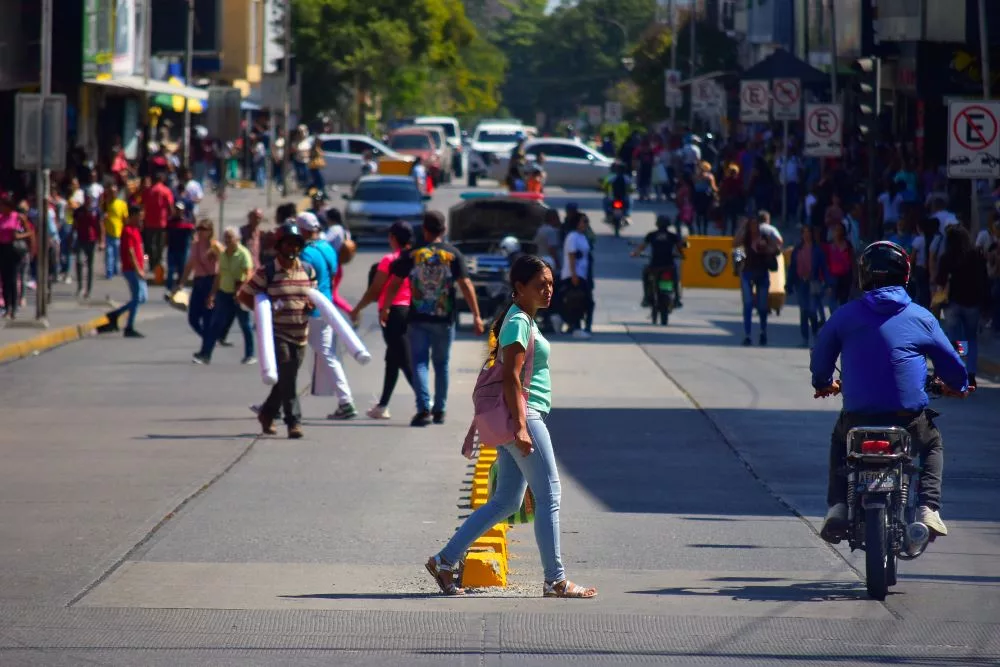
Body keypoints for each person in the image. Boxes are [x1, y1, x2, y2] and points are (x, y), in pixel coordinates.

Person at [425, 255, 597, 600]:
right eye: (540, 285)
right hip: (524, 415)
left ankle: (445, 560)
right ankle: (556, 580)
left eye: (550, 283)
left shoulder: (524, 319)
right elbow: (511, 377)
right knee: (550, 494)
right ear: (519, 288)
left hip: (518, 416)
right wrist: (520, 427)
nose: (549, 290)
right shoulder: (518, 322)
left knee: (505, 501)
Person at [811, 240, 969, 543]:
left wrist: (822, 383)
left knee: (838, 441)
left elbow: (821, 356)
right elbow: (951, 362)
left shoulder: (846, 315)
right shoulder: (921, 317)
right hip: (907, 418)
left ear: (864, 275)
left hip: (857, 418)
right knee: (933, 443)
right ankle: (928, 509)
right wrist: (958, 386)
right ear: (905, 275)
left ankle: (839, 506)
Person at [381, 211, 484, 426]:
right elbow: (465, 285)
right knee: (442, 364)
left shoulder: (413, 255)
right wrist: (476, 315)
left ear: (424, 230)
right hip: (444, 319)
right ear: (444, 230)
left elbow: (394, 282)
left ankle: (423, 408)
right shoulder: (453, 254)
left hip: (417, 318)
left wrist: (386, 307)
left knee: (419, 362)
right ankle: (440, 409)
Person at [238, 221, 317, 439]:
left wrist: (311, 306)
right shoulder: (268, 271)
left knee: (286, 378)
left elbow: (313, 297)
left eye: (296, 245)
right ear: (279, 246)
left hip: (301, 334)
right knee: (288, 376)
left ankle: (267, 412)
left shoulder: (307, 270)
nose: (293, 249)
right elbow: (244, 294)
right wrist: (262, 313)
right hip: (277, 333)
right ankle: (294, 422)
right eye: (289, 244)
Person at [351, 221, 415, 420]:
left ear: (393, 239)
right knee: (393, 359)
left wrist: (357, 308)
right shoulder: (415, 257)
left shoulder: (389, 260)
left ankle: (425, 400)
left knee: (402, 359)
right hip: (409, 311)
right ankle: (382, 405)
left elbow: (375, 290)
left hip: (392, 313)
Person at [299, 211, 357, 420]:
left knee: (286, 356)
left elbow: (303, 281)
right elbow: (332, 275)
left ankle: (346, 401)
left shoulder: (305, 253)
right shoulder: (329, 249)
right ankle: (345, 401)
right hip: (326, 308)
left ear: (303, 231)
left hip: (309, 310)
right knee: (327, 355)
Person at [935, 225, 990, 389]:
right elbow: (984, 280)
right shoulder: (976, 256)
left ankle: (957, 370)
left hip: (953, 303)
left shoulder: (947, 257)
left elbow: (940, 281)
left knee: (956, 339)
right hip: (972, 303)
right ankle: (971, 373)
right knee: (971, 338)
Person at [194, 226, 255, 365]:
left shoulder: (243, 253)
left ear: (237, 239)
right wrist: (212, 294)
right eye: (226, 237)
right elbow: (219, 275)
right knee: (215, 325)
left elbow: (248, 274)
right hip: (224, 293)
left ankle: (250, 355)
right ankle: (206, 355)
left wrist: (242, 291)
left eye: (230, 237)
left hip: (239, 293)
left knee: (245, 325)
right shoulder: (222, 254)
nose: (227, 240)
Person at [97, 204, 148, 337]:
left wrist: (145, 262)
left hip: (138, 268)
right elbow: (130, 252)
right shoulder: (127, 231)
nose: (141, 220)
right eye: (139, 217)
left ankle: (116, 315)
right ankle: (128, 326)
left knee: (141, 298)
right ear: (132, 217)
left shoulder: (137, 230)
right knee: (138, 298)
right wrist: (138, 269)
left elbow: (141, 249)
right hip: (131, 270)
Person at [733, 212, 783, 346]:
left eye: (756, 224)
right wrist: (742, 228)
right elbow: (736, 246)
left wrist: (766, 248)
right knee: (748, 305)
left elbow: (777, 250)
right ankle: (748, 335)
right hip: (747, 273)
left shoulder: (765, 236)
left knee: (762, 306)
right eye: (751, 224)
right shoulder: (745, 238)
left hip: (762, 273)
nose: (754, 227)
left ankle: (763, 332)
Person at [631, 214, 684, 308]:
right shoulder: (673, 236)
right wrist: (681, 255)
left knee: (646, 275)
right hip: (669, 264)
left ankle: (646, 297)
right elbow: (680, 248)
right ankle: (677, 299)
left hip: (655, 264)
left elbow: (642, 247)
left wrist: (635, 253)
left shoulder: (652, 235)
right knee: (675, 279)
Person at [788, 225, 828, 347]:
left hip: (813, 282)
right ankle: (804, 338)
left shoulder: (817, 250)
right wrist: (788, 283)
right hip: (800, 283)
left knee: (812, 310)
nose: (806, 235)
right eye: (804, 232)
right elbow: (792, 268)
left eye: (808, 232)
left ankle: (815, 334)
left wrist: (828, 282)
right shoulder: (797, 249)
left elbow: (824, 267)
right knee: (803, 311)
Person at [561, 213, 594, 339]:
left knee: (587, 301)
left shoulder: (583, 237)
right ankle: (576, 326)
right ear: (577, 223)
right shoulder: (572, 237)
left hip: (583, 275)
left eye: (587, 222)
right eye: (584, 221)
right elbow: (571, 255)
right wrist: (574, 274)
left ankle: (584, 326)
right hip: (573, 275)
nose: (586, 224)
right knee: (576, 301)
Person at [74, 193, 103, 300]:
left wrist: (101, 241)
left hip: (92, 240)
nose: (88, 201)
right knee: (79, 261)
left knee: (90, 266)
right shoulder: (78, 211)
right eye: (86, 199)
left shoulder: (96, 211)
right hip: (81, 239)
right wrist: (71, 238)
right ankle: (80, 286)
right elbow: (75, 224)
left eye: (89, 199)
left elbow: (100, 226)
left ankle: (88, 289)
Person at [103, 183, 128, 279]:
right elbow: (102, 216)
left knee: (117, 254)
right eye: (111, 192)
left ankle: (115, 269)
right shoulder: (106, 204)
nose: (113, 194)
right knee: (109, 254)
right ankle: (109, 272)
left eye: (114, 192)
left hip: (119, 233)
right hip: (108, 233)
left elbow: (125, 219)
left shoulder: (122, 204)